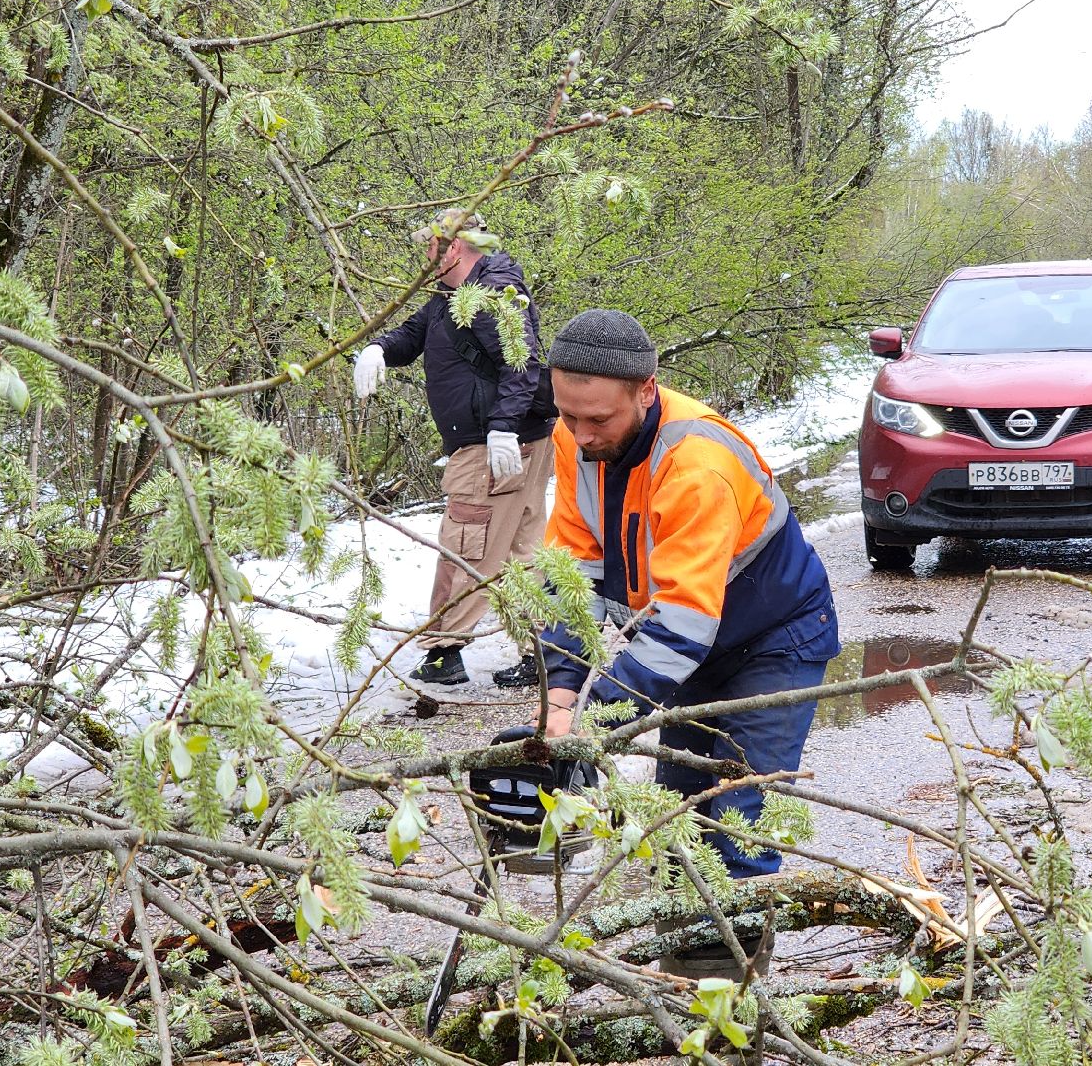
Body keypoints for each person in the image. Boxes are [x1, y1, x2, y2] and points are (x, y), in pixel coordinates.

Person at [533, 309, 840, 883]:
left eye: (597, 418)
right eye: (568, 415)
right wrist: (559, 696)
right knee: (680, 822)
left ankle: (738, 965)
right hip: (687, 649)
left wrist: (594, 721)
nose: (582, 434)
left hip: (773, 642)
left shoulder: (697, 464)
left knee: (741, 821)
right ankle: (680, 970)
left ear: (646, 391)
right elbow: (573, 572)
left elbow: (683, 621)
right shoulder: (575, 437)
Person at [353, 210, 557, 687]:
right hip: (519, 440)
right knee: (522, 550)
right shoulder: (452, 297)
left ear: (454, 247)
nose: (426, 255)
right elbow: (414, 334)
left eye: (431, 246)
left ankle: (445, 651)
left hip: (495, 446)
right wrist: (379, 348)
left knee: (467, 544)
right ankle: (544, 652)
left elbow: (520, 362)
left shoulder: (491, 296)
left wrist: (502, 427)